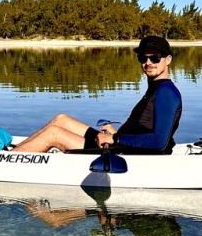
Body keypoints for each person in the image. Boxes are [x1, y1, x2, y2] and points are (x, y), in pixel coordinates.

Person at [15, 34, 182, 154]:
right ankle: (14, 152)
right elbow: (144, 126)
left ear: (168, 60)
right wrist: (116, 133)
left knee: (54, 134)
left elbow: (159, 141)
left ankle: (3, 161)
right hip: (121, 143)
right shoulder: (156, 87)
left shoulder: (166, 92)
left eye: (155, 58)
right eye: (143, 58)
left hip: (124, 153)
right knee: (62, 119)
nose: (148, 63)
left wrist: (115, 139)